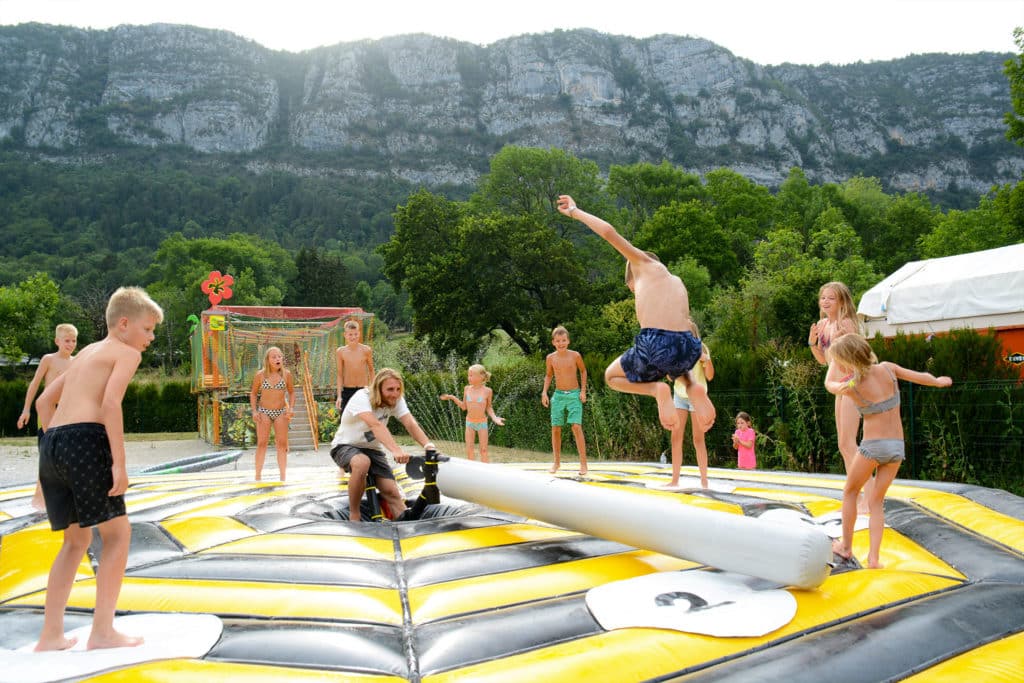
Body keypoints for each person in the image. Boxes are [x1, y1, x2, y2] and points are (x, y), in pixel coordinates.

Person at [31, 286, 163, 651]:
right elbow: (109, 405)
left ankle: (51, 636)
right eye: (148, 329)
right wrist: (120, 464)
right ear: (124, 324)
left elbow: (44, 402)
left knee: (75, 541)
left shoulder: (88, 351)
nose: (151, 338)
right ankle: (102, 632)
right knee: (118, 536)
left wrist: (45, 467)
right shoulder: (125, 353)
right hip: (85, 441)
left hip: (54, 441)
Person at [557, 195, 715, 433]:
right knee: (674, 364)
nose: (632, 290)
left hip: (656, 340)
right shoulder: (676, 281)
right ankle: (692, 386)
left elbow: (609, 232)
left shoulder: (643, 264)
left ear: (633, 272)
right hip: (688, 344)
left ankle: (657, 391)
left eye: (630, 285)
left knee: (611, 377)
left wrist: (575, 212)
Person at [825, 334, 951, 568]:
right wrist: (937, 381)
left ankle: (846, 546)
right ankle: (874, 558)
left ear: (846, 361)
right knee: (876, 502)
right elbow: (919, 376)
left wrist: (835, 379)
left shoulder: (852, 385)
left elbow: (830, 386)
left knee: (851, 491)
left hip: (873, 447)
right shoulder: (888, 369)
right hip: (896, 447)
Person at [329, 368, 437, 522]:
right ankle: (354, 515)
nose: (395, 393)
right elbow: (375, 425)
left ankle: (406, 525)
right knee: (361, 462)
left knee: (392, 492)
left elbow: (410, 423)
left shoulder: (397, 400)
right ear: (378, 389)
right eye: (390, 389)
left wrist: (428, 446)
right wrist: (396, 450)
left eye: (398, 389)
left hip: (372, 450)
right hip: (345, 446)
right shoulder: (362, 398)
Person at [808, 281, 871, 510]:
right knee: (843, 444)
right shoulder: (823, 324)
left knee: (849, 442)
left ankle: (869, 495)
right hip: (838, 384)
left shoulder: (846, 324)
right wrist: (812, 344)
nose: (825, 302)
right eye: (823, 298)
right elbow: (825, 360)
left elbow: (853, 356)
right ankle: (854, 493)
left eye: (831, 298)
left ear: (842, 301)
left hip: (852, 383)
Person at [17, 323, 78, 510]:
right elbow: (34, 384)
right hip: (47, 412)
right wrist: (26, 409)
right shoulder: (49, 359)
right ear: (57, 341)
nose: (71, 344)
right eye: (67, 340)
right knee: (49, 455)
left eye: (74, 340)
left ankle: (60, 497)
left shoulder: (76, 362)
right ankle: (40, 499)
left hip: (66, 412)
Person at [668, 321, 713, 487]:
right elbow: (669, 377)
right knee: (675, 437)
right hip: (680, 396)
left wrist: (706, 360)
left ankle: (704, 481)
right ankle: (674, 480)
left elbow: (710, 376)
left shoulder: (702, 349)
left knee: (698, 439)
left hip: (697, 397)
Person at [541, 325, 589, 475]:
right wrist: (544, 393)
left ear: (568, 341)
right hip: (558, 395)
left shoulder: (575, 356)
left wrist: (582, 391)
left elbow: (583, 371)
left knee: (576, 427)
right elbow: (549, 375)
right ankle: (556, 463)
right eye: (557, 341)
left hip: (574, 394)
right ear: (553, 342)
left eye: (563, 340)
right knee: (555, 428)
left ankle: (583, 464)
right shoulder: (550, 358)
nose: (561, 343)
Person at [439, 363, 505, 463]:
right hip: (469, 423)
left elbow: (489, 407)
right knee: (469, 449)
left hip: (482, 423)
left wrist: (494, 417)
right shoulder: (467, 389)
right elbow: (464, 407)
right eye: (468, 375)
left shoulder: (488, 391)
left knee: (483, 450)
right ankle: (472, 472)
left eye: (471, 375)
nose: (468, 377)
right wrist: (451, 397)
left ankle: (485, 472)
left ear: (481, 376)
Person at [249, 346, 294, 482]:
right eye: (274, 357)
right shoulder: (260, 375)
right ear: (268, 360)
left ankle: (283, 477)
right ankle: (257, 476)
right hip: (264, 412)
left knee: (281, 444)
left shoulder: (287, 374)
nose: (277, 359)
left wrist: (290, 408)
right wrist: (254, 411)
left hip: (281, 412)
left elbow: (291, 392)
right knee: (262, 443)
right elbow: (253, 393)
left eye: (279, 356)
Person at [336, 320, 374, 413]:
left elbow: (371, 370)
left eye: (355, 334)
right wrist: (339, 396)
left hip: (363, 390)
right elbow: (339, 374)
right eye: (350, 334)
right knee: (345, 421)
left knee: (364, 422)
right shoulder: (341, 351)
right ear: (345, 335)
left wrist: (373, 390)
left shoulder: (366, 350)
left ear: (359, 333)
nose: (353, 337)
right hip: (347, 390)